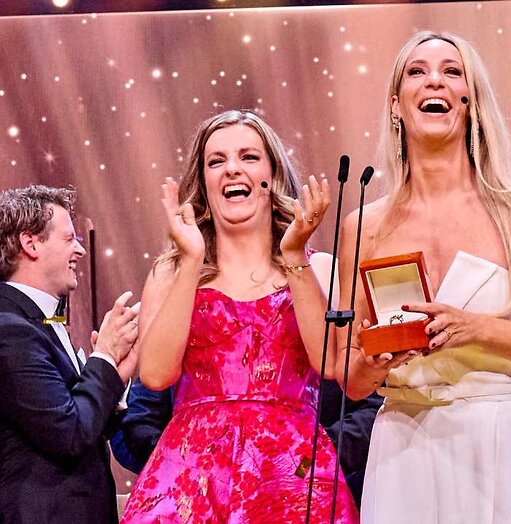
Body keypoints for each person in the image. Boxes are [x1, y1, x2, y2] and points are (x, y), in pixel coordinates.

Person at [334, 31, 511, 524]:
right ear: (396, 104)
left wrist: (477, 328)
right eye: (417, 71)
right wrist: (373, 361)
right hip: (402, 444)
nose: (436, 81)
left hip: (499, 441)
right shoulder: (363, 226)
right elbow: (350, 377)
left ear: (471, 101)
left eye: (453, 72)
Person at [120, 110, 358, 522]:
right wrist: (192, 260)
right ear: (204, 182)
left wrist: (294, 256)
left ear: (272, 174)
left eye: (248, 157)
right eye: (217, 161)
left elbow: (329, 363)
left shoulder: (320, 268)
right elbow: (155, 375)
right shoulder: (171, 271)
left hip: (291, 474)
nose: (232, 168)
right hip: (191, 480)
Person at [0, 185, 139, 523]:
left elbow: (81, 423)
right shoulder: (9, 330)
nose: (80, 249)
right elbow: (68, 433)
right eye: (68, 239)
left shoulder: (39, 324)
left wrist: (115, 374)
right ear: (30, 243)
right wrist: (104, 357)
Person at [111, 378, 383, 506]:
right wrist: (195, 470)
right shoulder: (186, 311)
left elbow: (373, 411)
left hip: (306, 496)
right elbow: (139, 423)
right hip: (203, 502)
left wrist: (303, 465)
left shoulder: (322, 301)